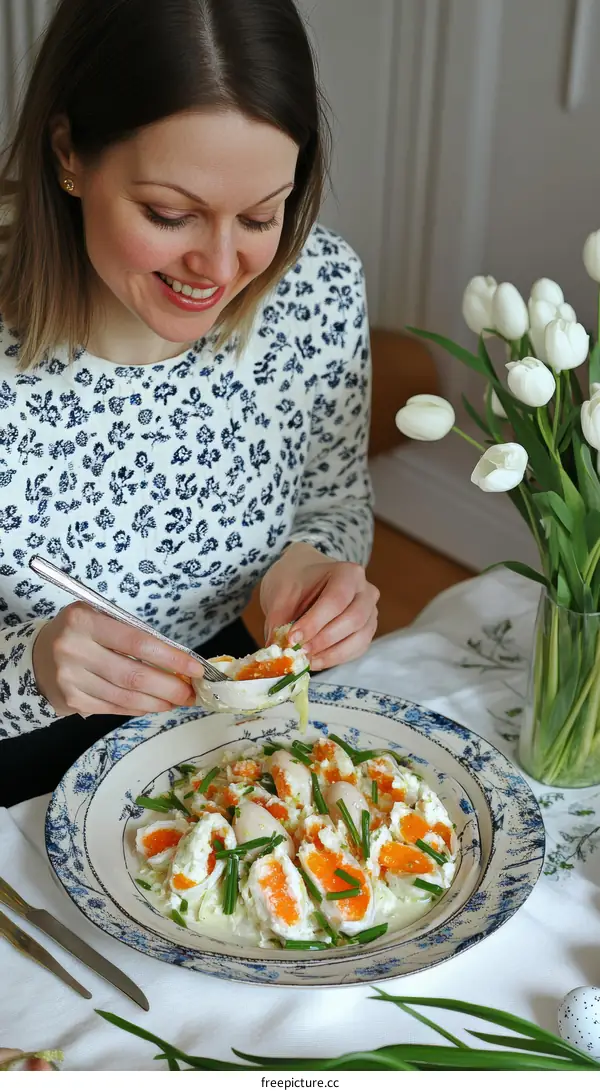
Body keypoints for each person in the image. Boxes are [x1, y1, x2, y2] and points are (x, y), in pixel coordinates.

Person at [0, 0, 378, 808]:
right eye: (170, 214)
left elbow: (334, 497)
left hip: (223, 729)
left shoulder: (317, 289)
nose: (218, 265)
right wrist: (25, 666)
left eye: (261, 215)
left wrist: (313, 563)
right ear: (68, 152)